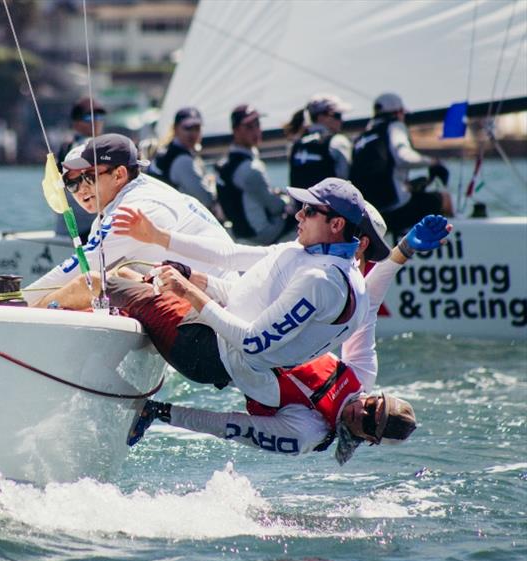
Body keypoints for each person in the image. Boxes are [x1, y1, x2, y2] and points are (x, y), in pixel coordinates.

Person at [116, 201, 451, 464]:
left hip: (205, 354)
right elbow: (369, 303)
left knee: (113, 283)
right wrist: (403, 251)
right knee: (131, 275)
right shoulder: (361, 376)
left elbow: (232, 426)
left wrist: (162, 413)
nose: (360, 410)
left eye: (367, 423)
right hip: (224, 321)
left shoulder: (306, 434)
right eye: (372, 405)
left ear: (369, 439)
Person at [107, 177, 371, 410]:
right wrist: (161, 240)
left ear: (336, 224)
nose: (298, 216)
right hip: (220, 340)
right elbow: (232, 258)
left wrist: (188, 290)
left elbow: (252, 343)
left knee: (102, 281)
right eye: (301, 208)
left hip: (207, 352)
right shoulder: (315, 258)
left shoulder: (321, 280)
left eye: (310, 211)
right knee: (129, 274)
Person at [22, 133, 235, 308]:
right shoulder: (145, 189)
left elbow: (81, 269)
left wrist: (15, 305)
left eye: (89, 177)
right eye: (71, 183)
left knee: (91, 284)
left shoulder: (133, 208)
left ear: (119, 175)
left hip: (221, 307)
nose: (81, 189)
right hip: (210, 297)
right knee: (112, 278)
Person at [350, 92, 453, 235]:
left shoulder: (361, 138)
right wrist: (433, 163)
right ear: (398, 113)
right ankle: (453, 237)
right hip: (393, 212)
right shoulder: (395, 126)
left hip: (367, 215)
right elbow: (404, 157)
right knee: (444, 199)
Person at [216, 104, 293, 245]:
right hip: (261, 236)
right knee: (301, 217)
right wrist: (287, 201)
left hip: (239, 232)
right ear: (236, 130)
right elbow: (276, 207)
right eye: (249, 127)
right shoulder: (251, 169)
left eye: (257, 124)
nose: (256, 131)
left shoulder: (224, 163)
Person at [148, 107, 221, 217]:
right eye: (188, 128)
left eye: (197, 128)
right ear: (176, 129)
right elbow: (206, 199)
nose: (193, 133)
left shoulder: (165, 151)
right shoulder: (182, 160)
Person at [53, 97, 107, 242]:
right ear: (76, 123)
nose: (96, 121)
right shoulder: (82, 147)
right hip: (84, 231)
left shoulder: (66, 145)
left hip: (70, 230)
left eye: (100, 116)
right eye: (89, 117)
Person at [286, 93, 353, 188]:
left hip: (304, 202)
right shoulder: (338, 142)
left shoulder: (295, 146)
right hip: (329, 202)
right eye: (337, 115)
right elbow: (346, 182)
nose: (341, 120)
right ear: (321, 117)